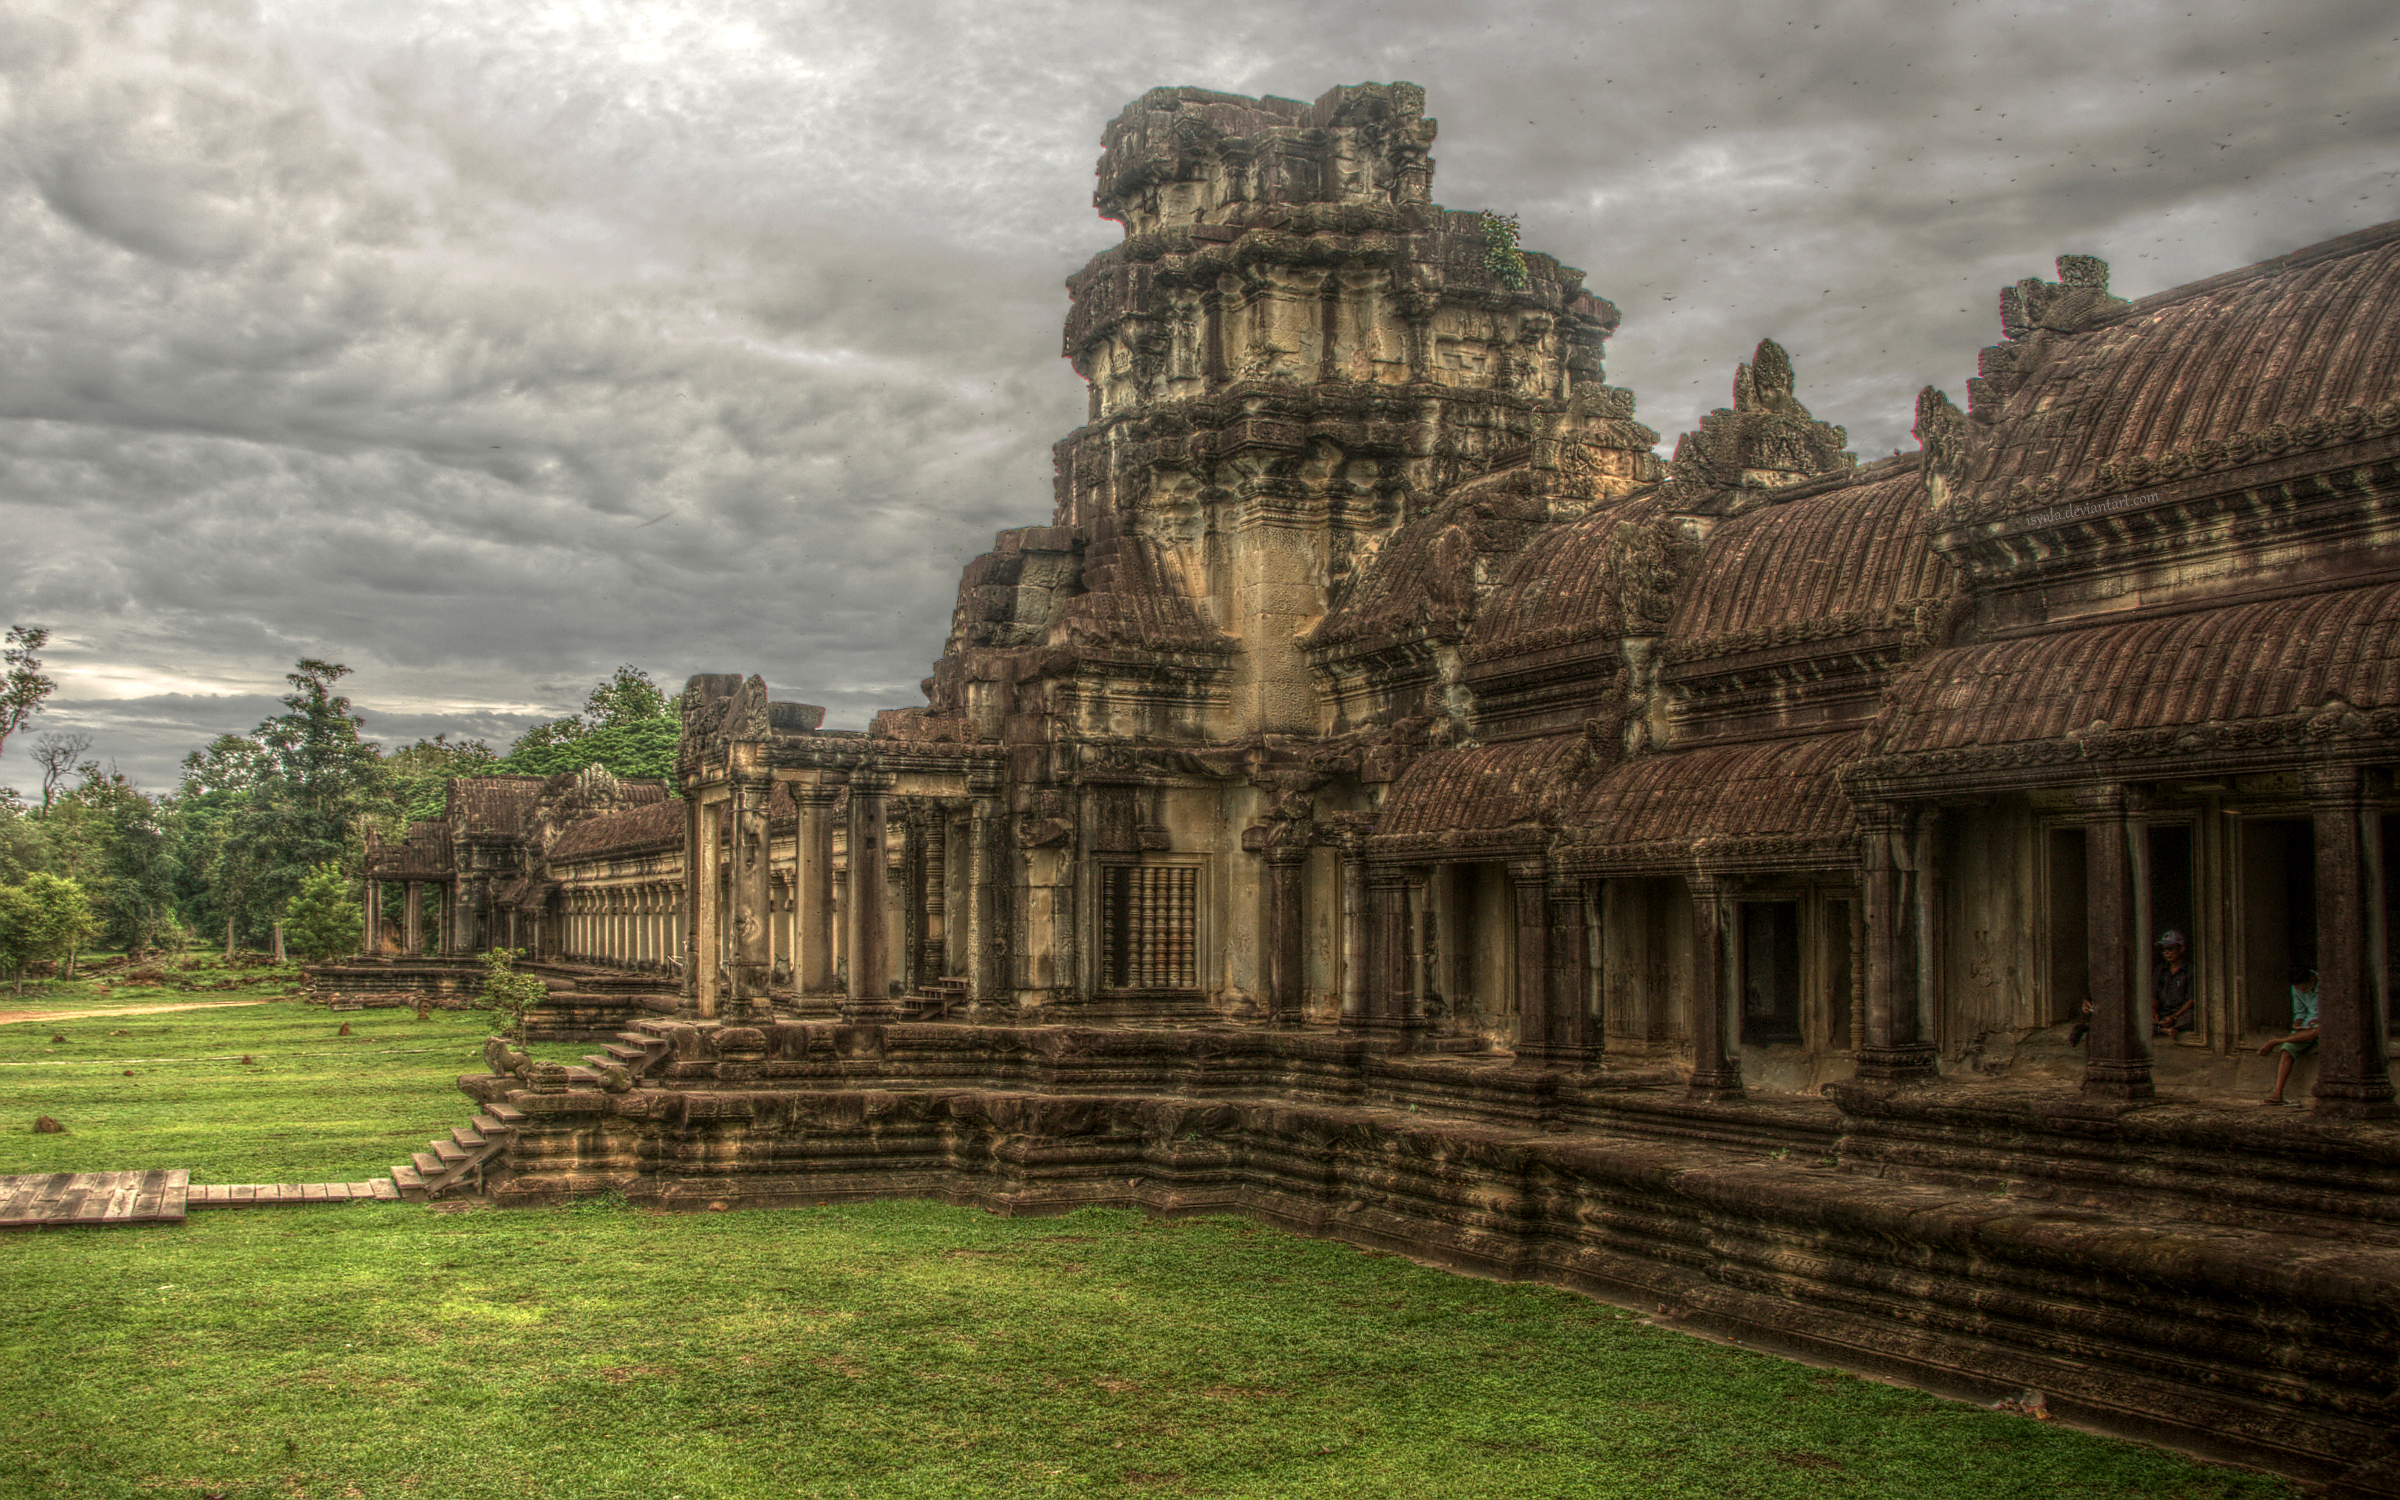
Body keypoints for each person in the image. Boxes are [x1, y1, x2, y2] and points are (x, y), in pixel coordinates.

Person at [2258, 966, 2320, 1107]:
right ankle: (2277, 1094)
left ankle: (2276, 1041)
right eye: (2299, 989)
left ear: (2313, 979)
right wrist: (2297, 1023)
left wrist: (2320, 1020)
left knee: (2320, 1030)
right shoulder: (2296, 988)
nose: (2302, 991)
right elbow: (2300, 1012)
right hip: (2307, 1026)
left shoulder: (2326, 983)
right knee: (2287, 1050)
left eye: (2305, 988)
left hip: (2322, 1026)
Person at [2152, 930, 2195, 1037]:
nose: (2167, 953)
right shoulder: (2160, 970)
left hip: (2180, 1013)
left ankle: (2165, 1029)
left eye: (2170, 949)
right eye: (2164, 950)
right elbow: (2154, 996)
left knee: (2192, 1016)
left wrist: (2174, 1017)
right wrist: (2152, 1011)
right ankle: (2164, 1029)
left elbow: (2191, 999)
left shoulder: (2190, 970)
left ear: (2181, 949)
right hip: (2163, 1013)